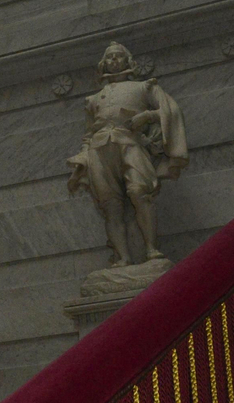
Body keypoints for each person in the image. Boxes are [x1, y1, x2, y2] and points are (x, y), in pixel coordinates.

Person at [66, 40, 188, 266]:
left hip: (130, 143)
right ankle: (122, 257)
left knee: (140, 192)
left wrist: (147, 116)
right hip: (99, 150)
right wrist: (82, 158)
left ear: (128, 61)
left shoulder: (144, 87)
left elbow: (170, 109)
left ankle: (151, 249)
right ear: (103, 64)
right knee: (110, 205)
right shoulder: (93, 100)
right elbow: (89, 133)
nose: (114, 60)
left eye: (118, 56)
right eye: (110, 57)